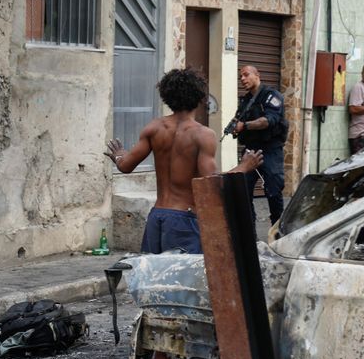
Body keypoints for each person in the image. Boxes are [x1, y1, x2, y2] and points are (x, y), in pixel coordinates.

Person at [104, 69, 262, 254]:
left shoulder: (154, 128)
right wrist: (244, 167)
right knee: (181, 280)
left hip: (157, 217)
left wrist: (119, 154)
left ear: (167, 96)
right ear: (200, 98)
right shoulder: (203, 135)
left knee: (153, 278)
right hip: (184, 220)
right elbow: (212, 183)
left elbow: (124, 165)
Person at [231, 65, 288, 225]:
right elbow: (238, 120)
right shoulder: (245, 101)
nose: (242, 79)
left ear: (257, 75)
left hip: (270, 150)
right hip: (250, 150)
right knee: (243, 191)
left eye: (246, 75)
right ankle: (250, 233)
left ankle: (278, 231)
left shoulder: (272, 96)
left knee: (274, 191)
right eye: (240, 76)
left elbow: (268, 121)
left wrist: (245, 126)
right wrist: (235, 128)